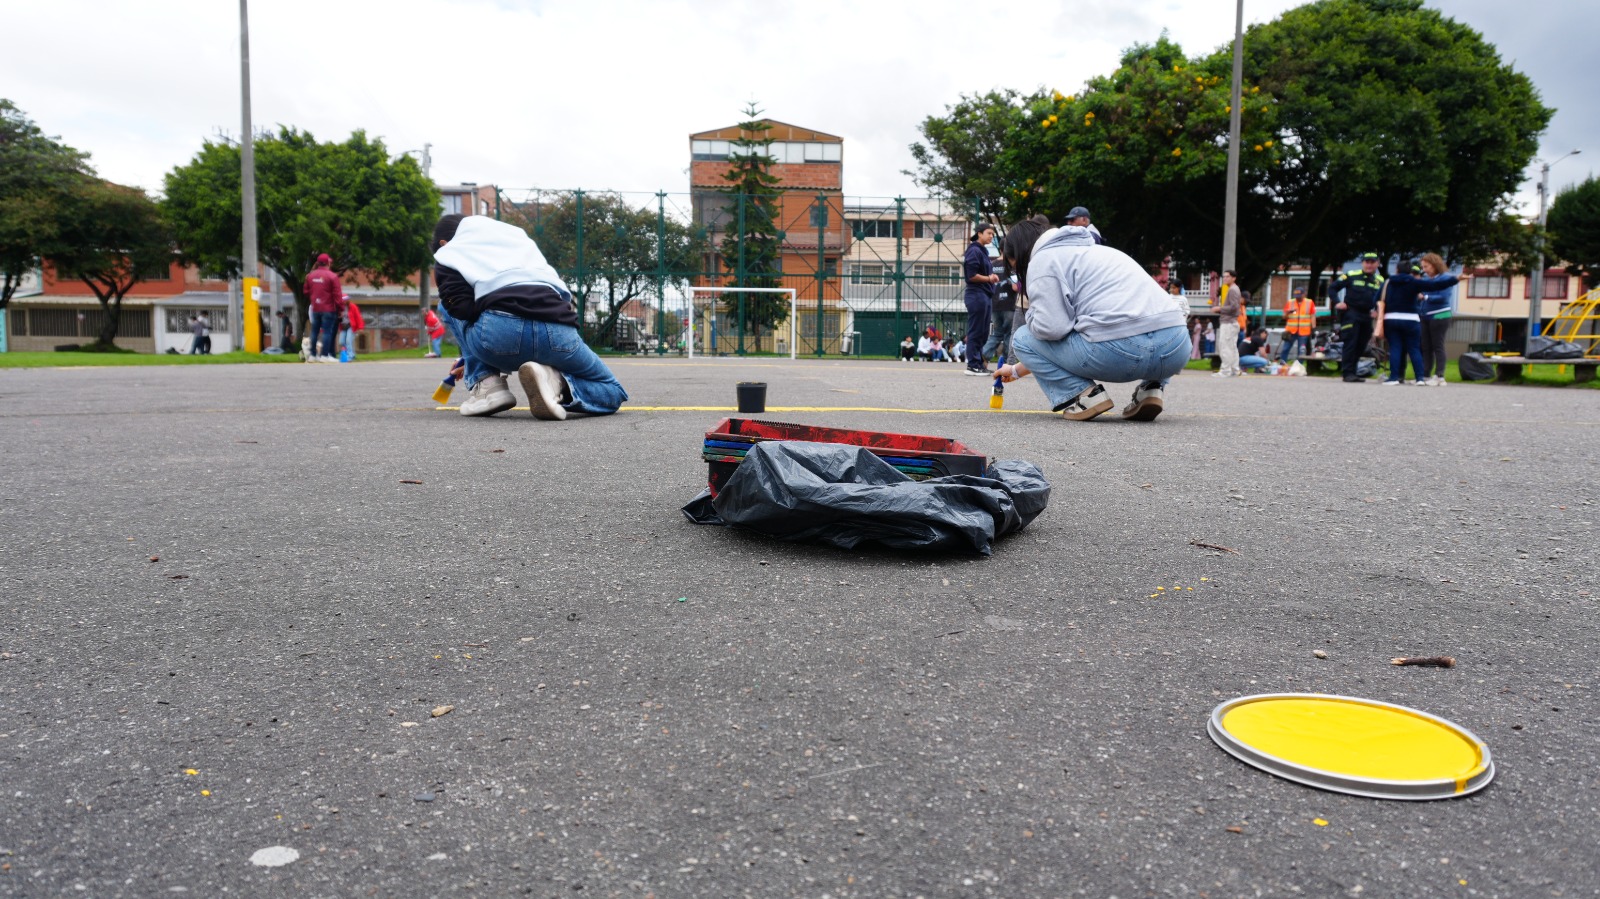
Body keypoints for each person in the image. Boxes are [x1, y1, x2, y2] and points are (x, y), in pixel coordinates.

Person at [993, 215, 1189, 422]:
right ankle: (1151, 388)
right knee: (1146, 322)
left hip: (1120, 353)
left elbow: (1050, 330)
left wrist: (1032, 311)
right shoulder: (1102, 251)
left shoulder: (1042, 260)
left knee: (1023, 336)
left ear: (1021, 254)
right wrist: (1016, 370)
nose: (1018, 273)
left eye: (1015, 268)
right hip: (1175, 348)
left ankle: (1087, 395)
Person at [432, 213, 628, 419]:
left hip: (500, 336)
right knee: (612, 390)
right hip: (559, 332)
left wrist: (474, 355)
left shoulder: (450, 253)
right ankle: (557, 383)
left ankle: (487, 386)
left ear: (444, 244)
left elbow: (462, 310)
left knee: (446, 305)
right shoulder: (519, 243)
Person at [1375, 254, 1466, 386]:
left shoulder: (1388, 282)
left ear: (1397, 270)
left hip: (1392, 318)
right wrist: (1456, 279)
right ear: (1410, 271)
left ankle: (1394, 377)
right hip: (1412, 319)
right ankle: (1420, 378)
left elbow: (1377, 299)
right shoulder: (1414, 282)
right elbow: (1437, 286)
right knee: (1414, 348)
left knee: (1395, 347)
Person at [1329, 252, 1385, 382]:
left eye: (1372, 262)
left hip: (1367, 315)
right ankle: (1347, 372)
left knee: (1362, 345)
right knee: (1351, 343)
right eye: (1367, 262)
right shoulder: (1351, 275)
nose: (1369, 265)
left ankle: (1353, 371)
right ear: (1362, 263)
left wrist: (1376, 310)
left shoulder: (1379, 280)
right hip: (1351, 313)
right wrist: (1338, 302)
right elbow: (1332, 288)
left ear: (1377, 264)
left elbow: (1381, 298)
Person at [962, 223, 1000, 375]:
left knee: (983, 332)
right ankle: (973, 365)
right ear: (979, 233)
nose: (991, 236)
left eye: (993, 234)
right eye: (989, 233)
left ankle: (978, 364)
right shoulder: (974, 251)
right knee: (976, 331)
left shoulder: (981, 251)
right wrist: (989, 278)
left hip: (984, 295)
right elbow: (971, 275)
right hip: (976, 294)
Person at [1416, 253, 1457, 385]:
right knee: (1425, 345)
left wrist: (1425, 297)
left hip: (1441, 314)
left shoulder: (1446, 278)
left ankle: (1440, 375)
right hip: (1425, 314)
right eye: (1423, 267)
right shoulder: (1427, 280)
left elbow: (1444, 297)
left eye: (1426, 266)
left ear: (1435, 265)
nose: (1424, 270)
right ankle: (1425, 374)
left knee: (1437, 344)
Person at [304, 253, 344, 362]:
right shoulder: (332, 276)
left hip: (315, 308)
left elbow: (306, 291)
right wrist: (340, 309)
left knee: (314, 331)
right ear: (328, 263)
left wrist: (314, 297)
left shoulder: (310, 276)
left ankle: (312, 355)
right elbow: (337, 294)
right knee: (327, 331)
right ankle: (324, 355)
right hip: (328, 308)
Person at [982, 262, 1019, 366]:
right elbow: (1015, 287)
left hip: (995, 304)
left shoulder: (991, 265)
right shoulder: (1011, 266)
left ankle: (984, 354)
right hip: (1008, 306)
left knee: (996, 333)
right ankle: (1008, 363)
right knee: (1009, 334)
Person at [1212, 271, 1245, 378]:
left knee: (1225, 346)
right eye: (1224, 277)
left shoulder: (1232, 290)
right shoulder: (1234, 289)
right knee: (1232, 347)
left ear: (1234, 278)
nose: (1225, 279)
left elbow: (1234, 307)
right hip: (1232, 322)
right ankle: (1235, 369)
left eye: (1227, 277)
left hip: (1228, 322)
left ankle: (1225, 370)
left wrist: (1219, 308)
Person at [1278, 287, 1316, 362]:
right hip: (1291, 331)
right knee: (1285, 348)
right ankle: (1282, 364)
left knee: (1301, 351)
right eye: (1296, 296)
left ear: (1304, 294)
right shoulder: (1290, 302)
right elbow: (1284, 317)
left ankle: (1299, 367)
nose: (1297, 298)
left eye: (1299, 296)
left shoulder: (1309, 302)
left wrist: (1313, 328)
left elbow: (1312, 316)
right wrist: (1288, 312)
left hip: (1304, 332)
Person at [338, 294, 364, 360]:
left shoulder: (352, 307)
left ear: (347, 300)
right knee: (341, 341)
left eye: (345, 300)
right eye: (342, 300)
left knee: (348, 341)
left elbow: (358, 317)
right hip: (343, 326)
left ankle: (350, 355)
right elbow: (338, 318)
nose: (343, 302)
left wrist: (360, 327)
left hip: (351, 326)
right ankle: (348, 354)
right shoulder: (340, 308)